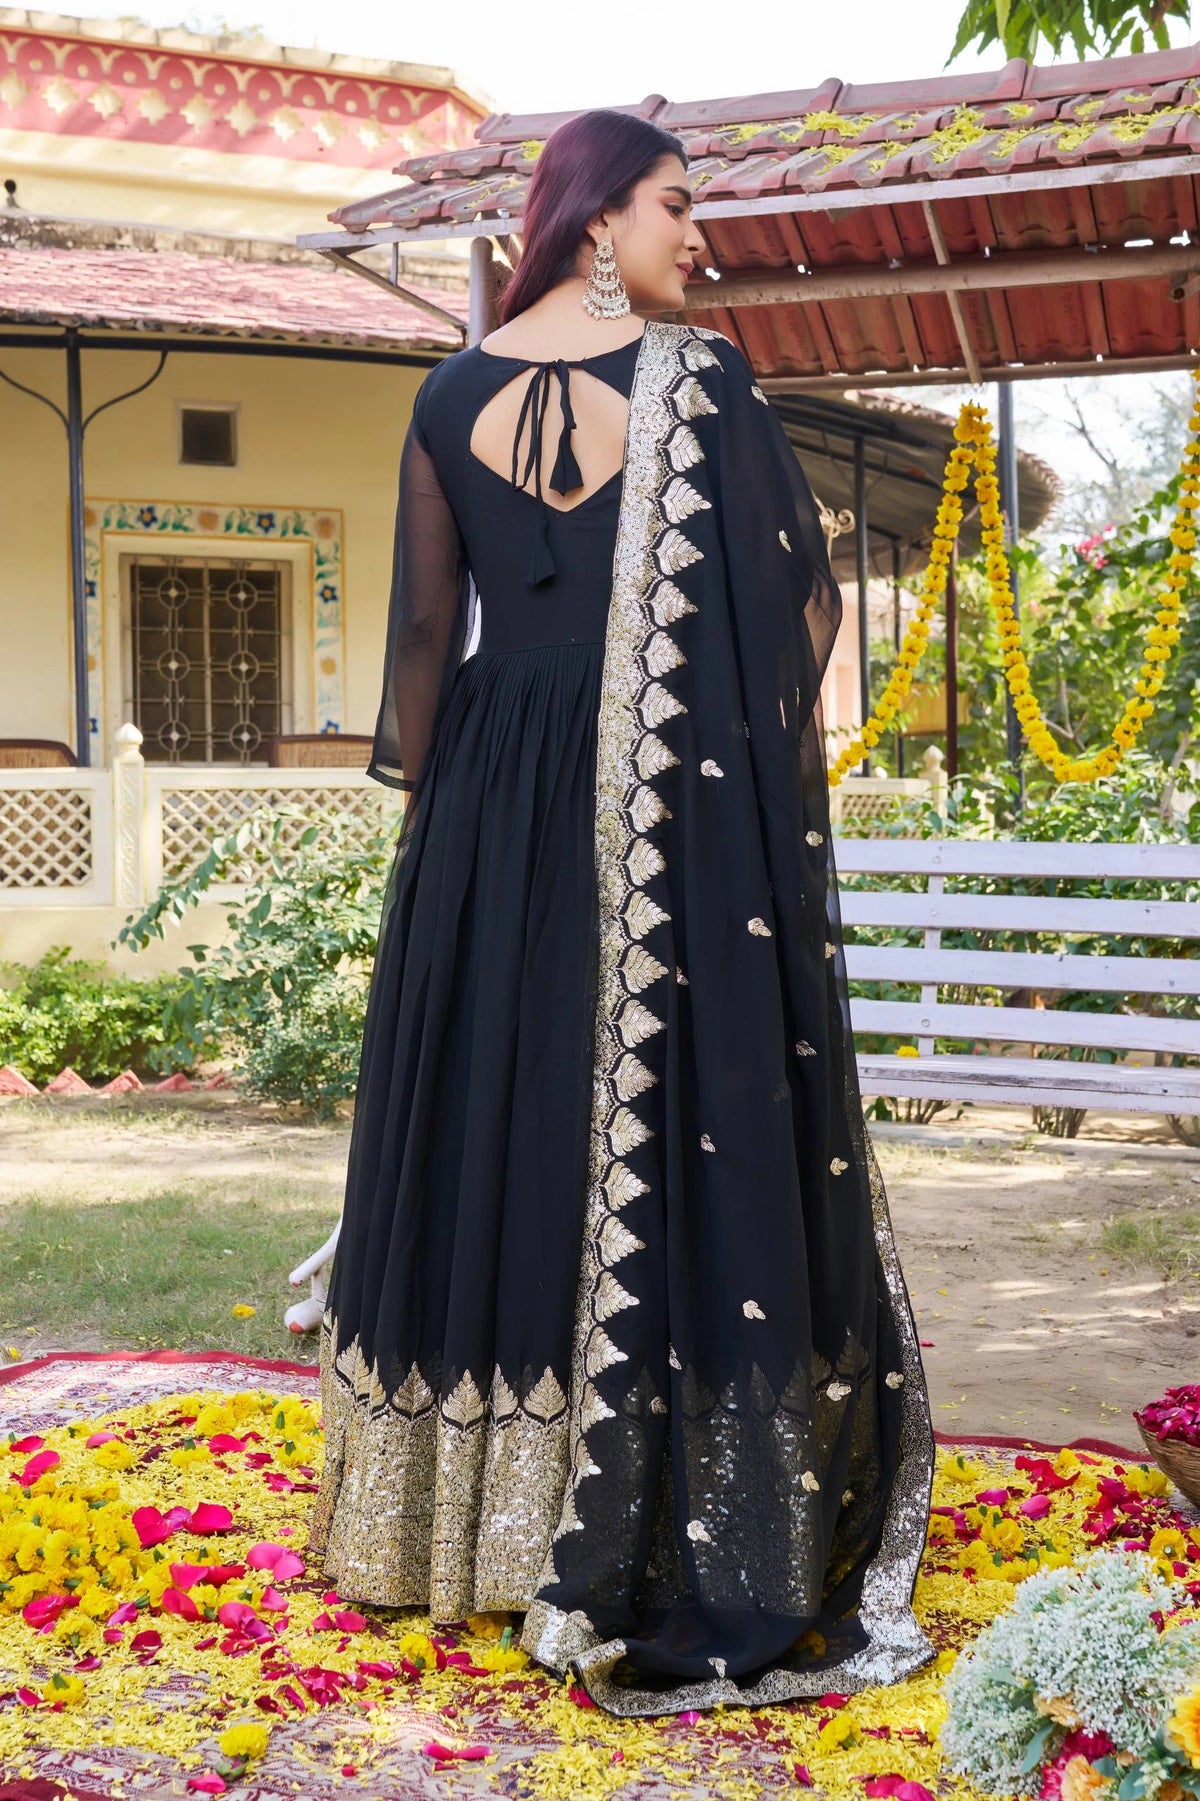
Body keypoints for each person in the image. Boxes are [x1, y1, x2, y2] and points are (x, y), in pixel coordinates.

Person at [306, 106, 934, 1718]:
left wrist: (443, 842)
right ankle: (645, 1503)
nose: (694, 238)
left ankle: (459, 1522)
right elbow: (795, 604)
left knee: (501, 1106)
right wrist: (732, 769)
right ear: (597, 221)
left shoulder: (447, 393)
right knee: (651, 1121)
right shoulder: (698, 380)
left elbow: (424, 638)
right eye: (674, 206)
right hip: (657, 800)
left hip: (485, 797)